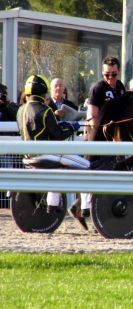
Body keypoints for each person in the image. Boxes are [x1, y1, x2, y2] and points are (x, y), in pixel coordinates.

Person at [16, 74, 90, 230]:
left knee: (56, 172)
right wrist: (72, 127)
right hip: (46, 154)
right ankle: (85, 208)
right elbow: (58, 135)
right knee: (87, 168)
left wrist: (59, 124)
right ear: (43, 92)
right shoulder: (45, 110)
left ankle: (52, 206)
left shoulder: (20, 110)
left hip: (28, 157)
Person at [86, 57, 126, 127]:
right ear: (102, 72)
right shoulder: (98, 88)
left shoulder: (120, 86)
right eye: (107, 74)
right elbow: (92, 117)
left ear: (119, 71)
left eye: (114, 74)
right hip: (102, 132)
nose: (110, 77)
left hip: (118, 130)